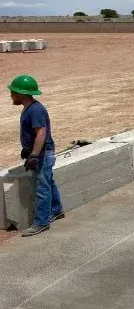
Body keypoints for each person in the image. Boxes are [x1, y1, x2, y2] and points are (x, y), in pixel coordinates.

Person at [7, 75, 64, 237]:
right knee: (48, 182)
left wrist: (33, 155)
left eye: (13, 92)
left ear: (21, 94)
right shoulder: (30, 108)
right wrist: (27, 149)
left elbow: (41, 133)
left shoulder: (36, 110)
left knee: (42, 187)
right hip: (40, 152)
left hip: (43, 154)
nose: (10, 95)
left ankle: (42, 222)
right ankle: (56, 210)